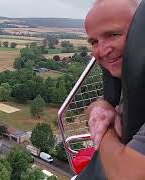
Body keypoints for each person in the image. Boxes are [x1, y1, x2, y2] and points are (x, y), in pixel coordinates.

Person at [75, 0, 145, 179]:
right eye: (94, 42)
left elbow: (128, 175)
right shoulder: (129, 78)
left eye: (113, 34)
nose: (101, 51)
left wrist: (104, 132)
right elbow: (94, 109)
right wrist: (100, 107)